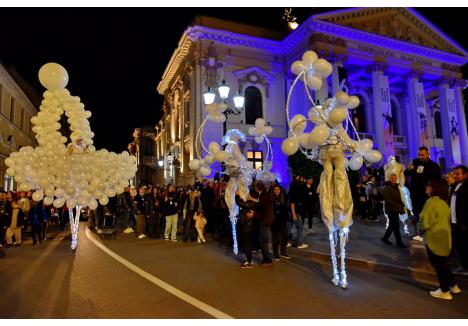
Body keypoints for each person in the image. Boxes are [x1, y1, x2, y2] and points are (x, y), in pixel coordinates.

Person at [419, 181, 462, 300]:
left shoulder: (431, 202)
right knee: (443, 263)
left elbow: (425, 220)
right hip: (445, 237)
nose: (426, 187)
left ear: (433, 189)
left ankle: (444, 290)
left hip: (434, 238)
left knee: (438, 265)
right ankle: (453, 285)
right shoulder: (443, 202)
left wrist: (419, 228)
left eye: (428, 186)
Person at [405, 147, 441, 223]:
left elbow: (438, 180)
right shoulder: (415, 162)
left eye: (423, 155)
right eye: (419, 155)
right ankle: (419, 230)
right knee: (417, 213)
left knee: (428, 214)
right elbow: (406, 173)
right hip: (416, 193)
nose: (420, 157)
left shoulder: (434, 166)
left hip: (428, 194)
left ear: (428, 154)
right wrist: (408, 169)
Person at [450, 165, 468, 274]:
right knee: (459, 245)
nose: (455, 176)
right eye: (454, 173)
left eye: (458, 174)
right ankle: (463, 265)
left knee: (465, 245)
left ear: (465, 175)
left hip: (464, 223)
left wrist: (466, 222)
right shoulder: (455, 185)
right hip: (455, 221)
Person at [381, 174, 407, 248]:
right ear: (390, 179)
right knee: (395, 226)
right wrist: (395, 204)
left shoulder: (396, 187)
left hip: (396, 209)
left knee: (392, 225)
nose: (393, 179)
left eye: (395, 178)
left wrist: (401, 205)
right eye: (392, 178)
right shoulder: (387, 187)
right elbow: (387, 198)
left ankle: (385, 238)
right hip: (391, 209)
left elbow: (399, 197)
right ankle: (399, 242)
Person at [237, 189, 259, 268]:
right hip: (250, 226)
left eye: (248, 194)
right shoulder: (255, 203)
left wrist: (237, 195)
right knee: (248, 244)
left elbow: (239, 203)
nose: (247, 195)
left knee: (247, 244)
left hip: (247, 226)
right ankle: (249, 260)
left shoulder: (250, 204)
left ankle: (249, 262)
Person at [254, 182, 274, 267]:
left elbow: (264, 211)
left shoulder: (263, 196)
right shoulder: (265, 195)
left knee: (263, 242)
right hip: (267, 220)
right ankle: (266, 259)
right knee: (264, 241)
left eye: (255, 188)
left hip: (265, 221)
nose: (255, 189)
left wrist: (254, 214)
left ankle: (268, 260)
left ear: (258, 188)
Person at [271, 185, 290, 260]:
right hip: (274, 222)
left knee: (285, 237)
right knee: (276, 239)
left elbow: (285, 209)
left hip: (282, 221)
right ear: (273, 190)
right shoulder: (271, 198)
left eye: (278, 189)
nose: (276, 190)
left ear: (280, 190)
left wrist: (286, 218)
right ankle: (276, 254)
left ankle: (283, 252)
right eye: (275, 189)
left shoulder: (283, 197)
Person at [288, 177, 308, 249]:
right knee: (299, 227)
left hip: (291, 212)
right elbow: (292, 203)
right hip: (295, 213)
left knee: (289, 226)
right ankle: (299, 243)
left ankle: (285, 242)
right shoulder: (295, 193)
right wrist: (294, 215)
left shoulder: (290, 193)